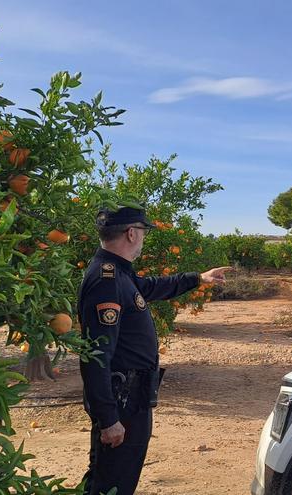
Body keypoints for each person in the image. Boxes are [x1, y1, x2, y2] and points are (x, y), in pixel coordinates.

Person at [78, 206, 231, 495]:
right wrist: (109, 419)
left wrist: (198, 278)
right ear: (131, 233)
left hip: (132, 398)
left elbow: (150, 287)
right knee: (110, 483)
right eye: (143, 232)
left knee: (119, 479)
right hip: (121, 400)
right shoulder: (105, 280)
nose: (144, 239)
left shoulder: (120, 274)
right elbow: (96, 357)